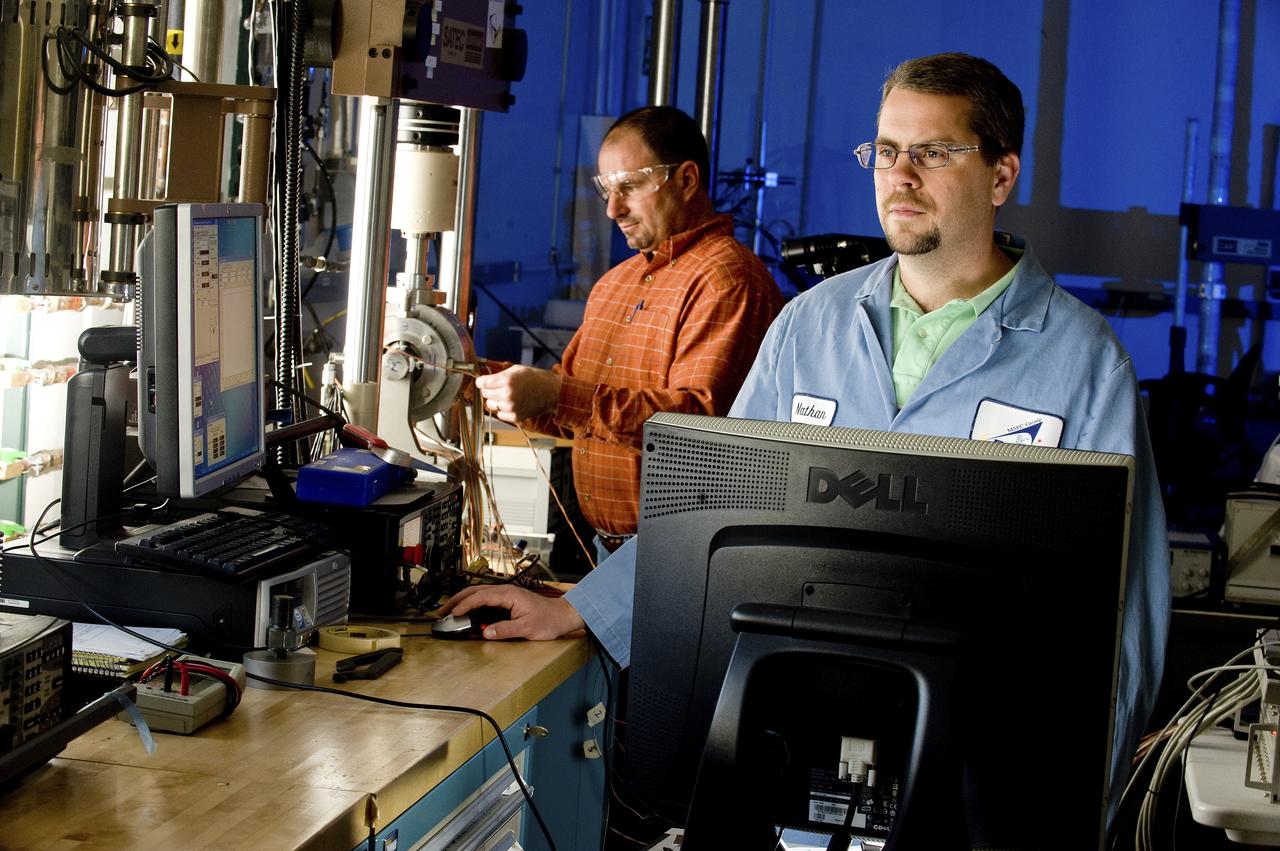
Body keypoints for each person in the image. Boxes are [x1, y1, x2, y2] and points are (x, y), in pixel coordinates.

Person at [447, 53, 1170, 821]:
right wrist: (581, 612)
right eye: (886, 151)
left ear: (1000, 176)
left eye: (932, 152)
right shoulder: (811, 327)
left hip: (979, 786)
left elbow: (1127, 622)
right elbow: (714, 518)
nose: (900, 175)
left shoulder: (1082, 362)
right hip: (795, 748)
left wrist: (1068, 809)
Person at [474, 106, 783, 561]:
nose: (612, 209)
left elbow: (694, 424)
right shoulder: (615, 284)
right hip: (607, 548)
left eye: (630, 187)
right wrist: (467, 375)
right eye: (606, 189)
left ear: (687, 180)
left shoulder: (726, 280)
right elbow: (565, 413)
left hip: (685, 555)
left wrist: (558, 396)